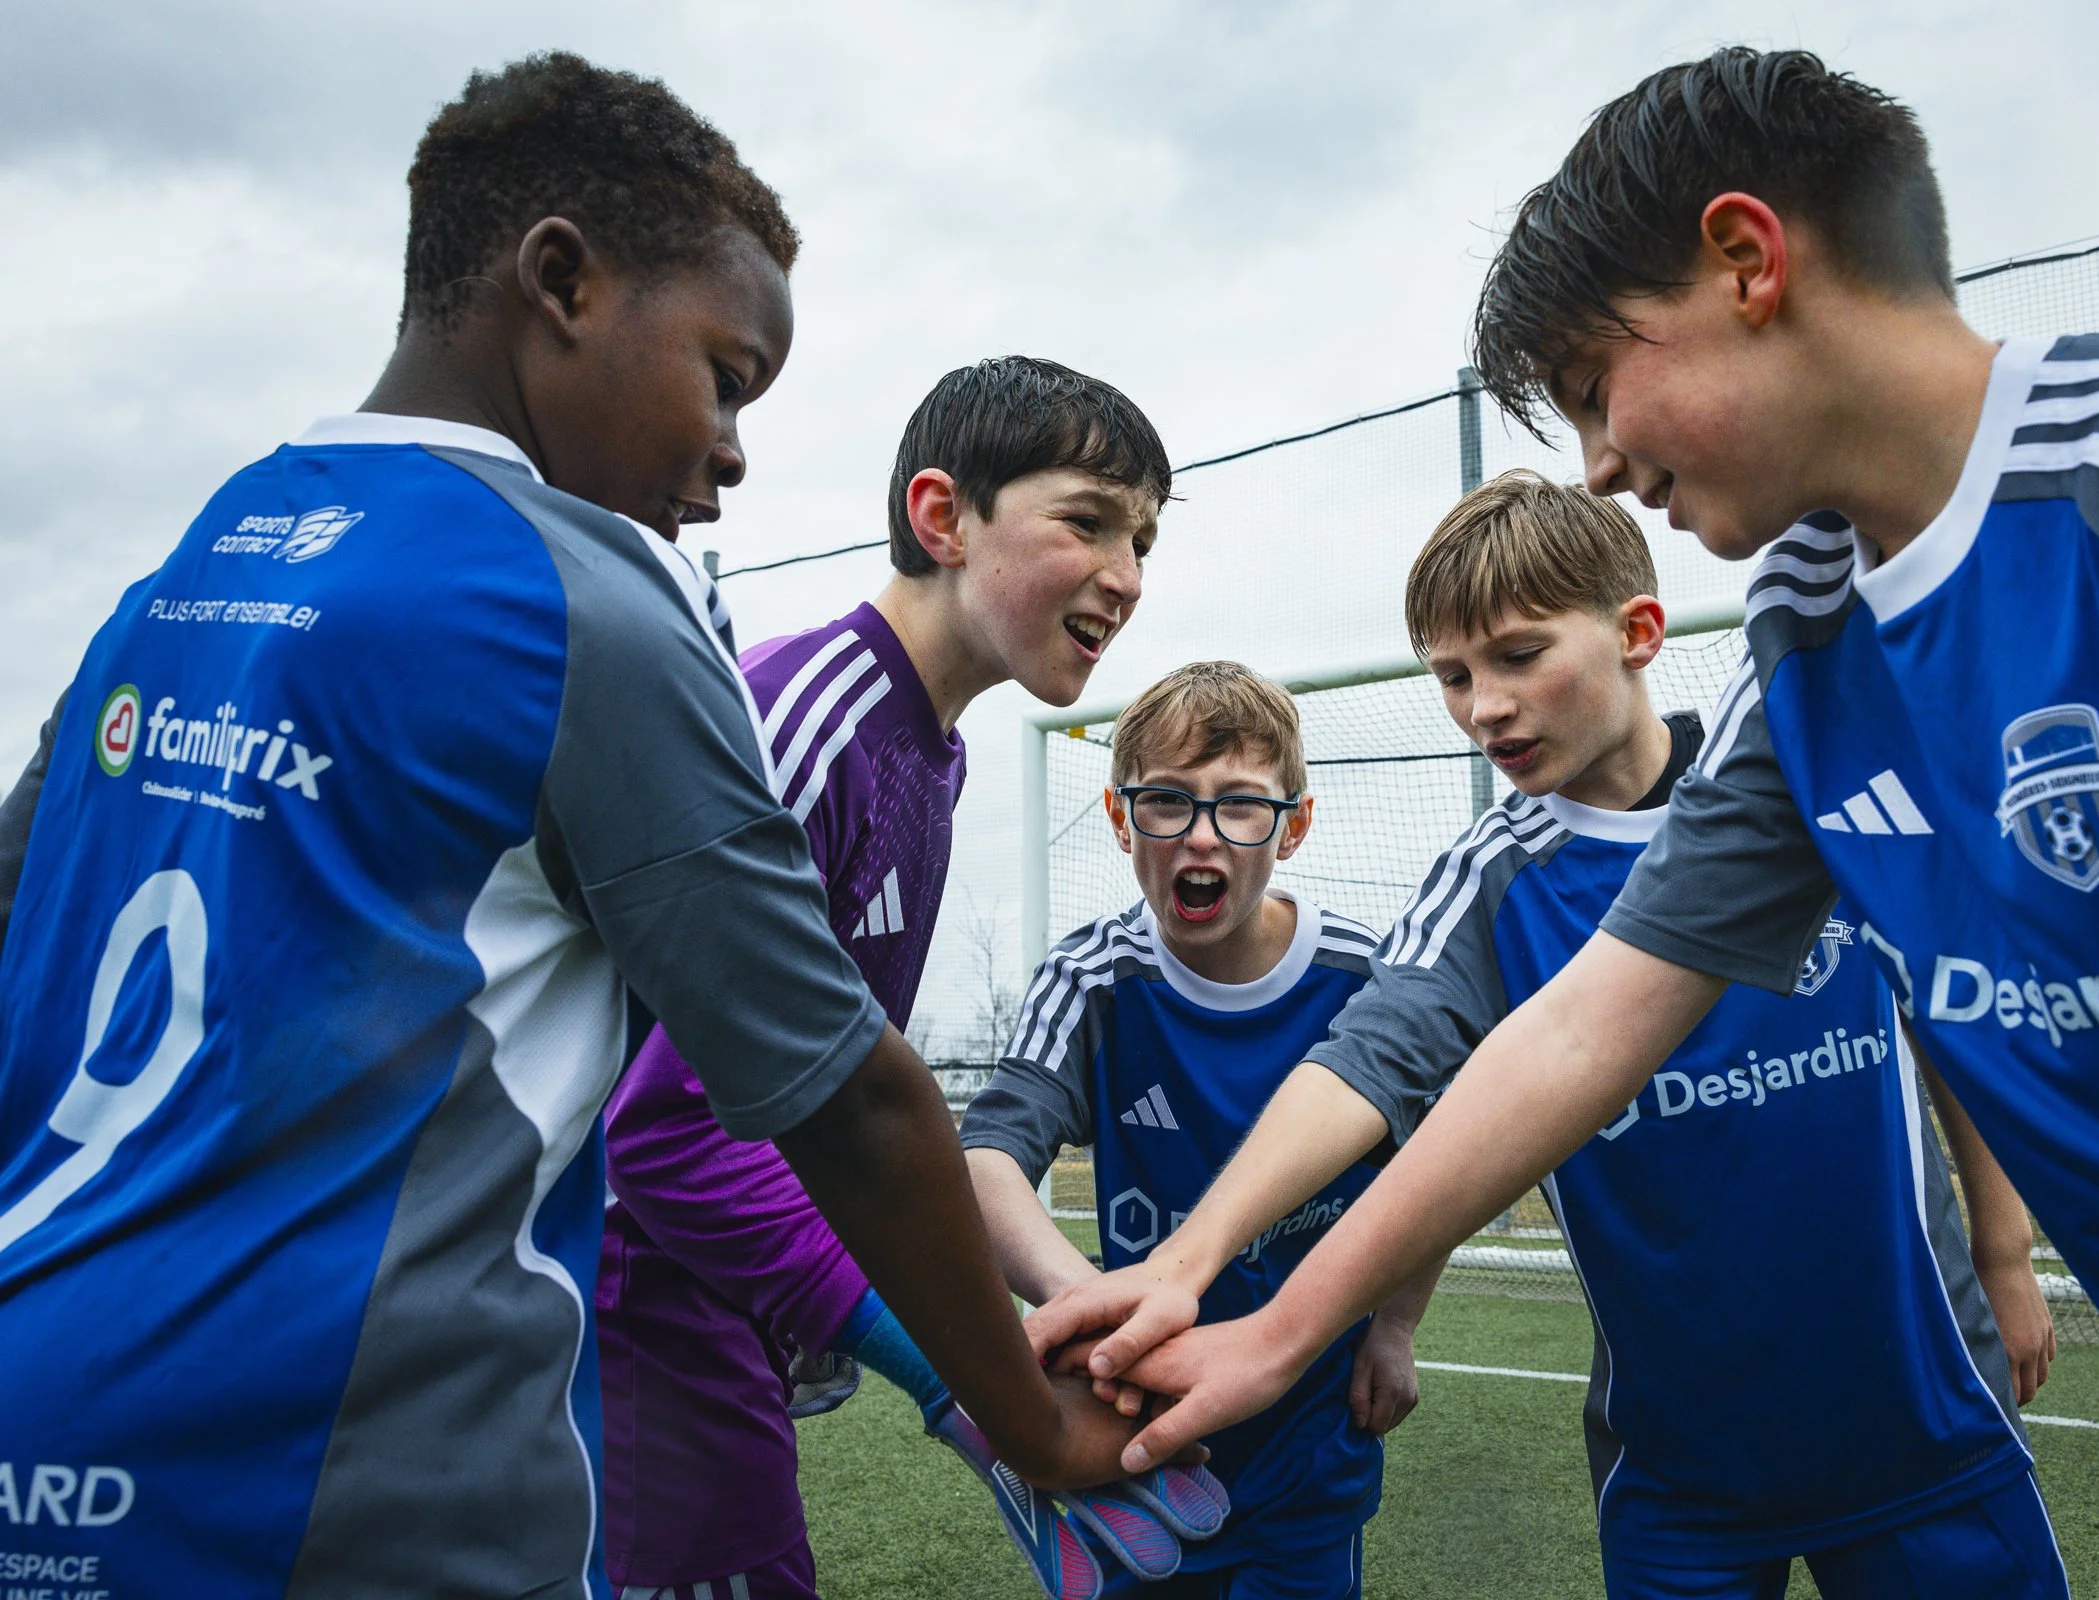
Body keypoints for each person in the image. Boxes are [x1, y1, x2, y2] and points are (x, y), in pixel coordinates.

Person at [1036, 46, 2099, 1598]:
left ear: (1746, 261)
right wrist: (1243, 1303)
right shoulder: (1808, 638)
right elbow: (1576, 1029)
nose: (1601, 460)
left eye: (1590, 389)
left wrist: (2001, 1255)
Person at [0, 54, 1151, 1599]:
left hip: (49, 1401)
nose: (734, 450)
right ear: (562, 282)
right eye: (726, 376)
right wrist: (1017, 1418)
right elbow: (841, 1102)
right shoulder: (578, 602)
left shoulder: (195, 560)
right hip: (354, 1464)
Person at [1033, 474, 2068, 1597]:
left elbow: (1943, 1014)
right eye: (1451, 676)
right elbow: (1366, 1061)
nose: (1482, 706)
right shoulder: (1489, 885)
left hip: (1924, 1420)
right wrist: (1189, 1261)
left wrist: (2004, 1254)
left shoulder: (1805, 787)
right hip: (1682, 1477)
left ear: (1636, 632)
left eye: (1517, 656)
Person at [602, 356, 1227, 1600]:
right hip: (629, 1302)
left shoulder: (924, 753)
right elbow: (661, 1135)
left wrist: (1037, 1308)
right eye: (1088, 520)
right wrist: (960, 1376)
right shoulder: (811, 716)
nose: (1127, 576)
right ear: (943, 517)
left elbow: (838, 1105)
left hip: (717, 1308)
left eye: (1144, 539)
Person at [963, 662, 1441, 1600]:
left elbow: (1433, 1165)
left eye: (1240, 806)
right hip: (1132, 1444)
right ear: (1117, 818)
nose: (1201, 835)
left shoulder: (1364, 978)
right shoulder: (1091, 980)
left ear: (1293, 827)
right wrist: (1087, 1300)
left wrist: (1397, 1323)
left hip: (1308, 1440)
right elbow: (984, 1158)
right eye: (1167, 803)